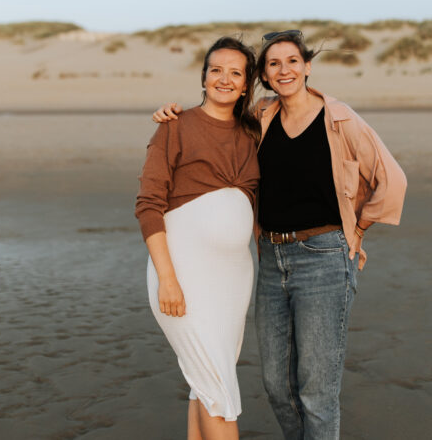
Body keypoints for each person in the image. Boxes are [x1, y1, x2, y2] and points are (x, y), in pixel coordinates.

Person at [153, 29, 407, 440]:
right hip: (271, 259)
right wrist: (173, 114)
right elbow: (215, 123)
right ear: (265, 77)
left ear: (307, 67)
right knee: (276, 385)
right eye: (273, 64)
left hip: (324, 257)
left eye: (292, 61)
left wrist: (357, 231)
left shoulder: (339, 118)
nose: (284, 70)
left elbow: (392, 181)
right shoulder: (260, 119)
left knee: (317, 391)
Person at [135, 36, 262, 440]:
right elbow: (148, 206)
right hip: (182, 277)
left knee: (206, 380)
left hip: (233, 281)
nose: (224, 78)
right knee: (217, 389)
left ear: (246, 85)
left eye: (235, 72)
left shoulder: (254, 134)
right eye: (216, 70)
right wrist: (167, 279)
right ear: (203, 77)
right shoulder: (175, 127)